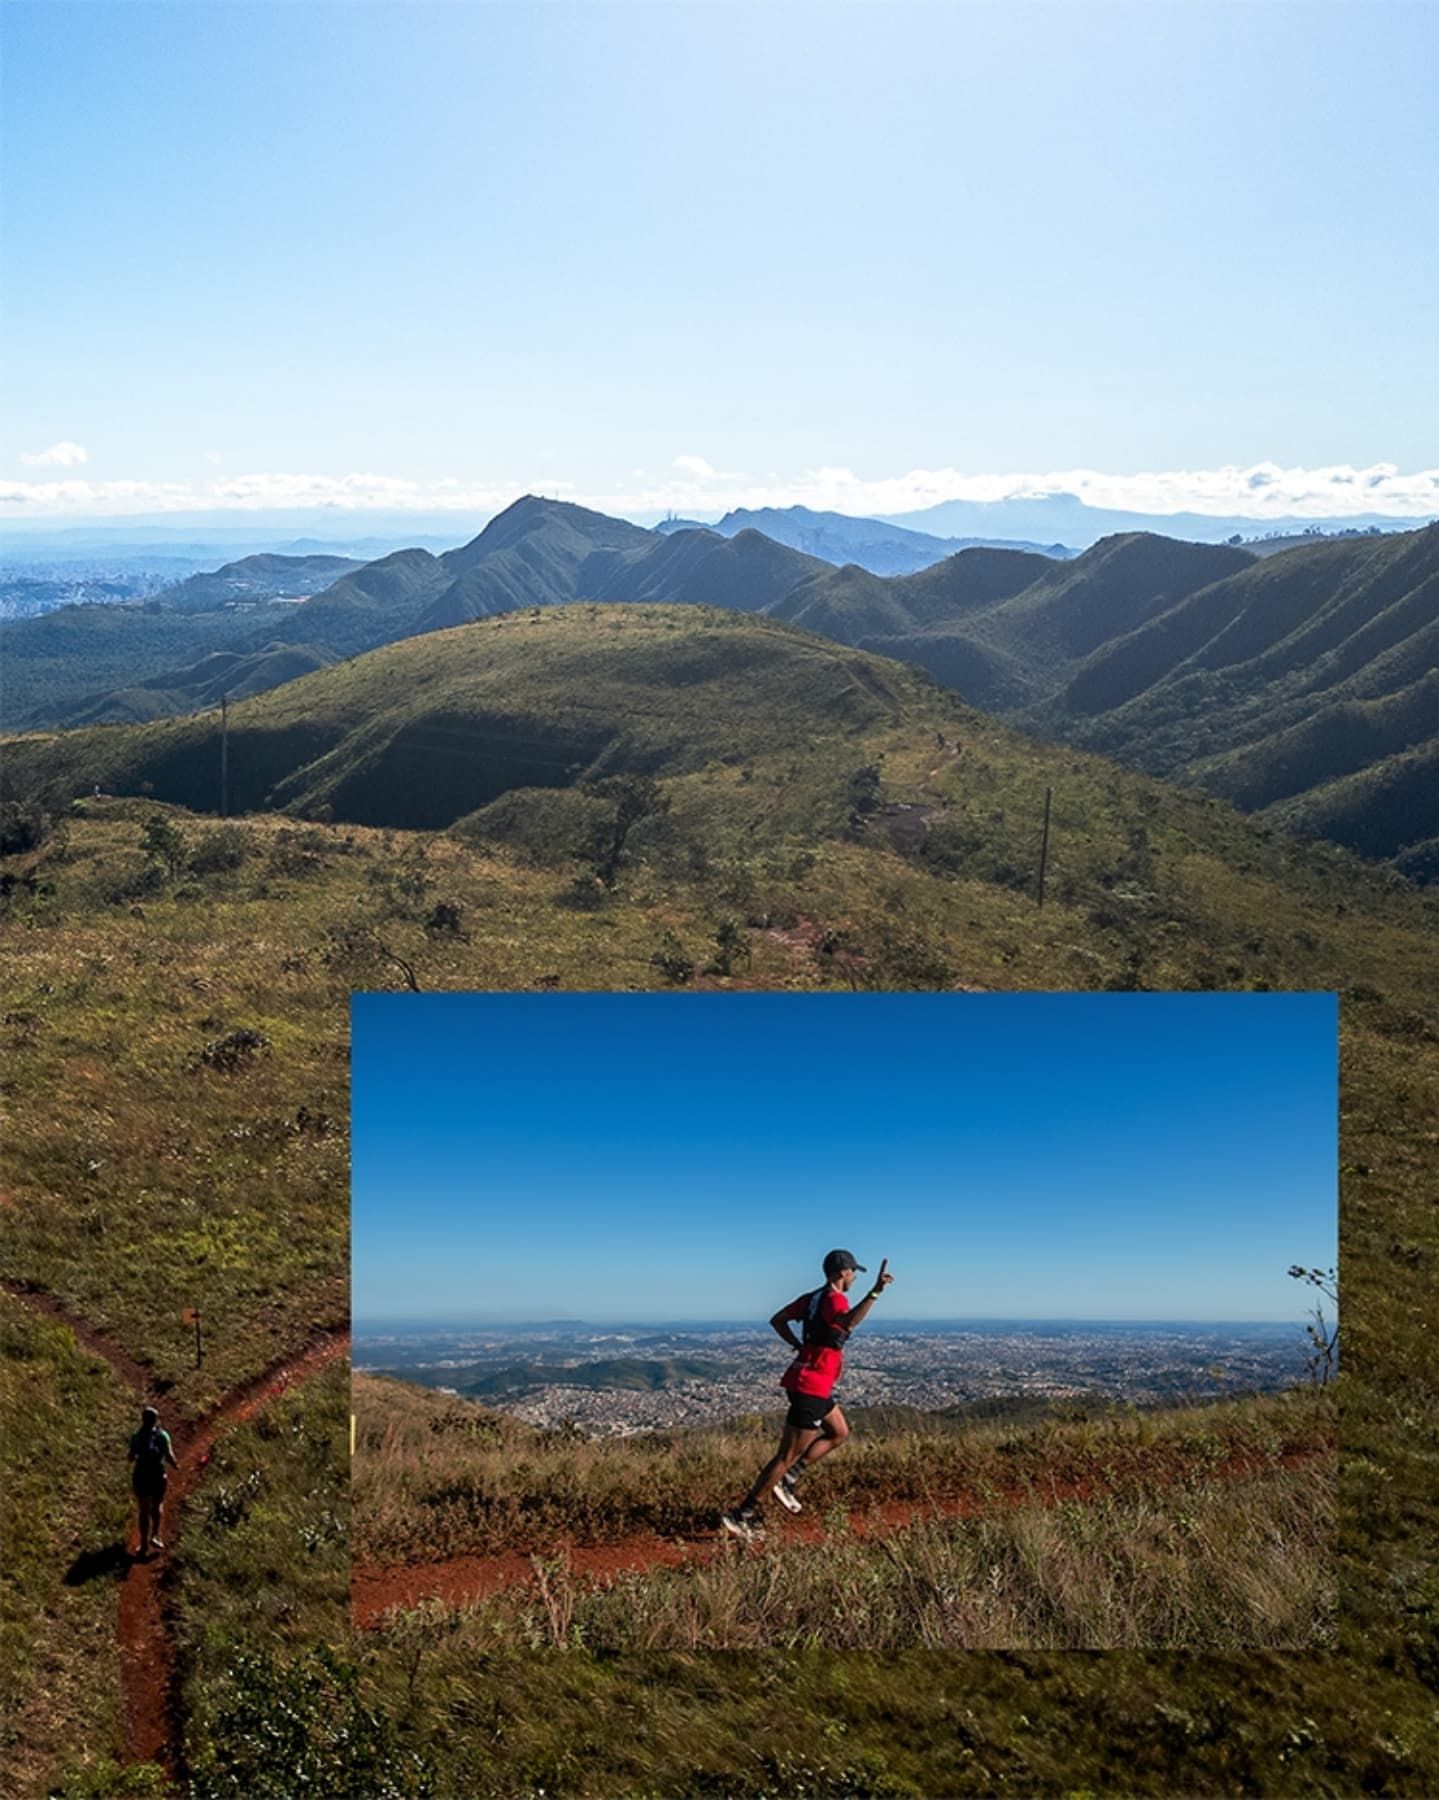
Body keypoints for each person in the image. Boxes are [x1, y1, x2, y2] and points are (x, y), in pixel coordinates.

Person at [720, 1249, 894, 1541]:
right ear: (842, 1273)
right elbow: (848, 1322)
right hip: (811, 1386)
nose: (854, 1277)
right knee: (785, 1456)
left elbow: (778, 1319)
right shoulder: (835, 1299)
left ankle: (789, 1478)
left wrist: (798, 1345)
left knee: (839, 1432)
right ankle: (743, 1514)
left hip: (808, 1382)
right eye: (853, 1272)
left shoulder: (812, 1298)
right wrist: (875, 1292)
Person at [128, 1404, 178, 1558]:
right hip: (157, 1475)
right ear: (155, 1420)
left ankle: (143, 1544)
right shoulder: (162, 1436)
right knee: (157, 1505)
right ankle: (155, 1535)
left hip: (141, 1475)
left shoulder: (136, 1436)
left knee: (143, 1510)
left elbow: (130, 1457)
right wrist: (176, 1465)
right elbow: (169, 1455)